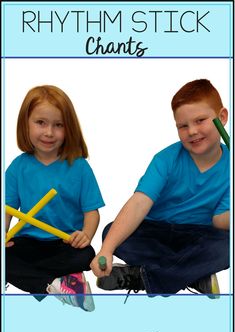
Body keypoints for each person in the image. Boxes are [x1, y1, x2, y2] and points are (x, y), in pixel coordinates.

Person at [90, 79, 230, 300]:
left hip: (198, 235)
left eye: (200, 120)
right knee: (112, 233)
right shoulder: (166, 159)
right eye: (183, 126)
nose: (192, 131)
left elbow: (221, 221)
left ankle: (145, 277)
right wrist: (106, 249)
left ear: (222, 117)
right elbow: (138, 204)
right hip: (156, 231)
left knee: (227, 245)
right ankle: (192, 275)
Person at [5, 85, 105, 311]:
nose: (49, 132)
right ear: (25, 123)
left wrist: (86, 234)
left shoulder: (79, 167)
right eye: (41, 123)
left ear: (68, 129)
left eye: (58, 125)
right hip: (27, 242)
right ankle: (55, 284)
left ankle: (30, 277)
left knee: (86, 255)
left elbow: (92, 212)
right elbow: (6, 209)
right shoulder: (18, 167)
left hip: (65, 243)